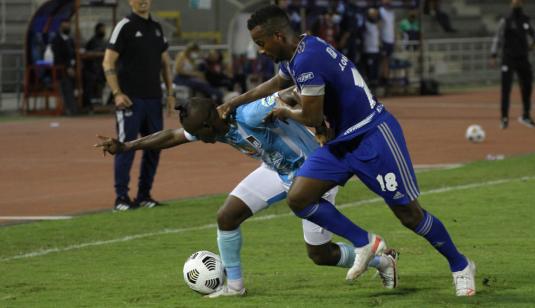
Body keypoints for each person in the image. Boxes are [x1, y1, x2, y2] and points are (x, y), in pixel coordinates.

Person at [217, 5, 476, 296]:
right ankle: (364, 241)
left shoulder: (307, 60)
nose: (260, 51)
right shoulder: (301, 49)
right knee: (300, 198)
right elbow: (278, 82)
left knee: (410, 215)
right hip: (342, 142)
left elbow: (313, 118)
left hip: (373, 135)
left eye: (261, 43)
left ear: (278, 36)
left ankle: (460, 265)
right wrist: (235, 102)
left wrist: (284, 112)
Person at [95, 88, 399, 297]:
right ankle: (235, 286)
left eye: (202, 136)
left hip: (311, 175)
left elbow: (289, 92)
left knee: (320, 254)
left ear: (212, 122)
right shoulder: (208, 123)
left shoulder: (249, 114)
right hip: (276, 170)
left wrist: (317, 120)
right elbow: (173, 135)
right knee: (227, 216)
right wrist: (127, 146)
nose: (201, 141)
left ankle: (382, 260)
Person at [102, 0, 175, 211]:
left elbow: (165, 64)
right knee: (126, 147)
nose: (143, 1)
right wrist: (117, 93)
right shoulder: (124, 26)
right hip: (130, 99)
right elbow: (108, 62)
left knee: (155, 146)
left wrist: (170, 93)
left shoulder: (157, 28)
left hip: (153, 98)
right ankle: (121, 198)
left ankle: (144, 195)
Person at [490, 0, 535, 129]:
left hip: (523, 58)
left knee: (527, 86)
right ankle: (504, 118)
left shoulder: (525, 20)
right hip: (508, 59)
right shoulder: (505, 21)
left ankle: (526, 116)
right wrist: (493, 55)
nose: (516, 2)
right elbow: (498, 38)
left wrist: (530, 47)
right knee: (506, 89)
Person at [51, 18, 78, 115]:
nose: (67, 27)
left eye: (68, 25)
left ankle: (85, 105)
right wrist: (68, 67)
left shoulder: (70, 40)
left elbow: (74, 54)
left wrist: (73, 65)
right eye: (65, 25)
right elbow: (58, 56)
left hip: (72, 68)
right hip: (61, 70)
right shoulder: (56, 40)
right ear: (60, 27)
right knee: (67, 84)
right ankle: (71, 109)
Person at [83, 22, 108, 111]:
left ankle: (100, 104)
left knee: (101, 86)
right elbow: (87, 54)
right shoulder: (92, 41)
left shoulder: (105, 41)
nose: (104, 31)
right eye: (102, 29)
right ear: (97, 30)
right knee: (91, 87)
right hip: (92, 70)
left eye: (104, 29)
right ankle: (88, 105)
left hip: (102, 69)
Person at [361, 8, 381, 92]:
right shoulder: (366, 24)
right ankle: (369, 88)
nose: (374, 16)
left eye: (375, 15)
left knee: (375, 70)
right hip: (368, 50)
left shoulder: (376, 25)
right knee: (369, 70)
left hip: (376, 50)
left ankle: (375, 87)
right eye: (372, 15)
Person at [378, 0, 396, 88]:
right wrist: (379, 39)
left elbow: (393, 26)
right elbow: (379, 25)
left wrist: (395, 39)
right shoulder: (381, 11)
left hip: (390, 40)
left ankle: (386, 77)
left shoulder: (392, 12)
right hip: (384, 39)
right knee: (383, 59)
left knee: (387, 59)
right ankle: (382, 78)